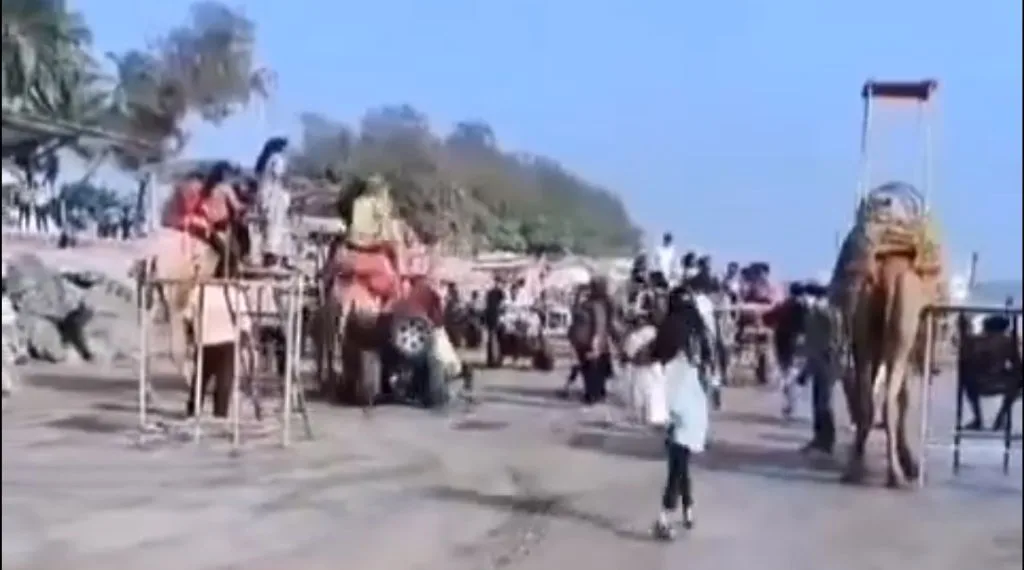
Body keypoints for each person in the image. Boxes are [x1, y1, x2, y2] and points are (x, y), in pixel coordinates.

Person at [651, 286, 712, 540]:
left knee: (676, 462)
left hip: (673, 398)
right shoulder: (699, 331)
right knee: (682, 459)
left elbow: (655, 357)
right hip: (694, 398)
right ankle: (688, 509)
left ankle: (664, 517)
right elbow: (710, 362)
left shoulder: (670, 328)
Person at [182, 256, 253, 419]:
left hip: (204, 340)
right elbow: (245, 322)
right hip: (227, 342)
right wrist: (243, 342)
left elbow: (187, 317)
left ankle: (193, 412)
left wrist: (191, 337)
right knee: (223, 384)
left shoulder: (200, 289)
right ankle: (219, 416)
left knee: (200, 380)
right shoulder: (235, 293)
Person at [799, 281, 839, 455]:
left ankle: (827, 440)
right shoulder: (812, 314)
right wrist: (806, 371)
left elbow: (835, 338)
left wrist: (831, 358)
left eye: (807, 295)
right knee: (817, 402)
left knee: (824, 403)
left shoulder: (828, 314)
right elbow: (811, 344)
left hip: (826, 364)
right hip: (816, 363)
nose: (804, 299)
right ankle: (819, 438)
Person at [570, 276, 618, 405]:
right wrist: (578, 294)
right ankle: (595, 392)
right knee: (591, 368)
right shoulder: (591, 302)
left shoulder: (597, 304)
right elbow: (574, 312)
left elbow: (599, 324)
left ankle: (592, 394)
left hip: (592, 341)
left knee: (592, 368)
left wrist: (595, 342)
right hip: (587, 341)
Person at [254, 137, 292, 267]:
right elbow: (280, 176)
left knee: (268, 229)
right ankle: (272, 261)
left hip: (265, 196)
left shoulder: (267, 160)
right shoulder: (277, 159)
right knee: (275, 229)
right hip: (274, 197)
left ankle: (269, 259)